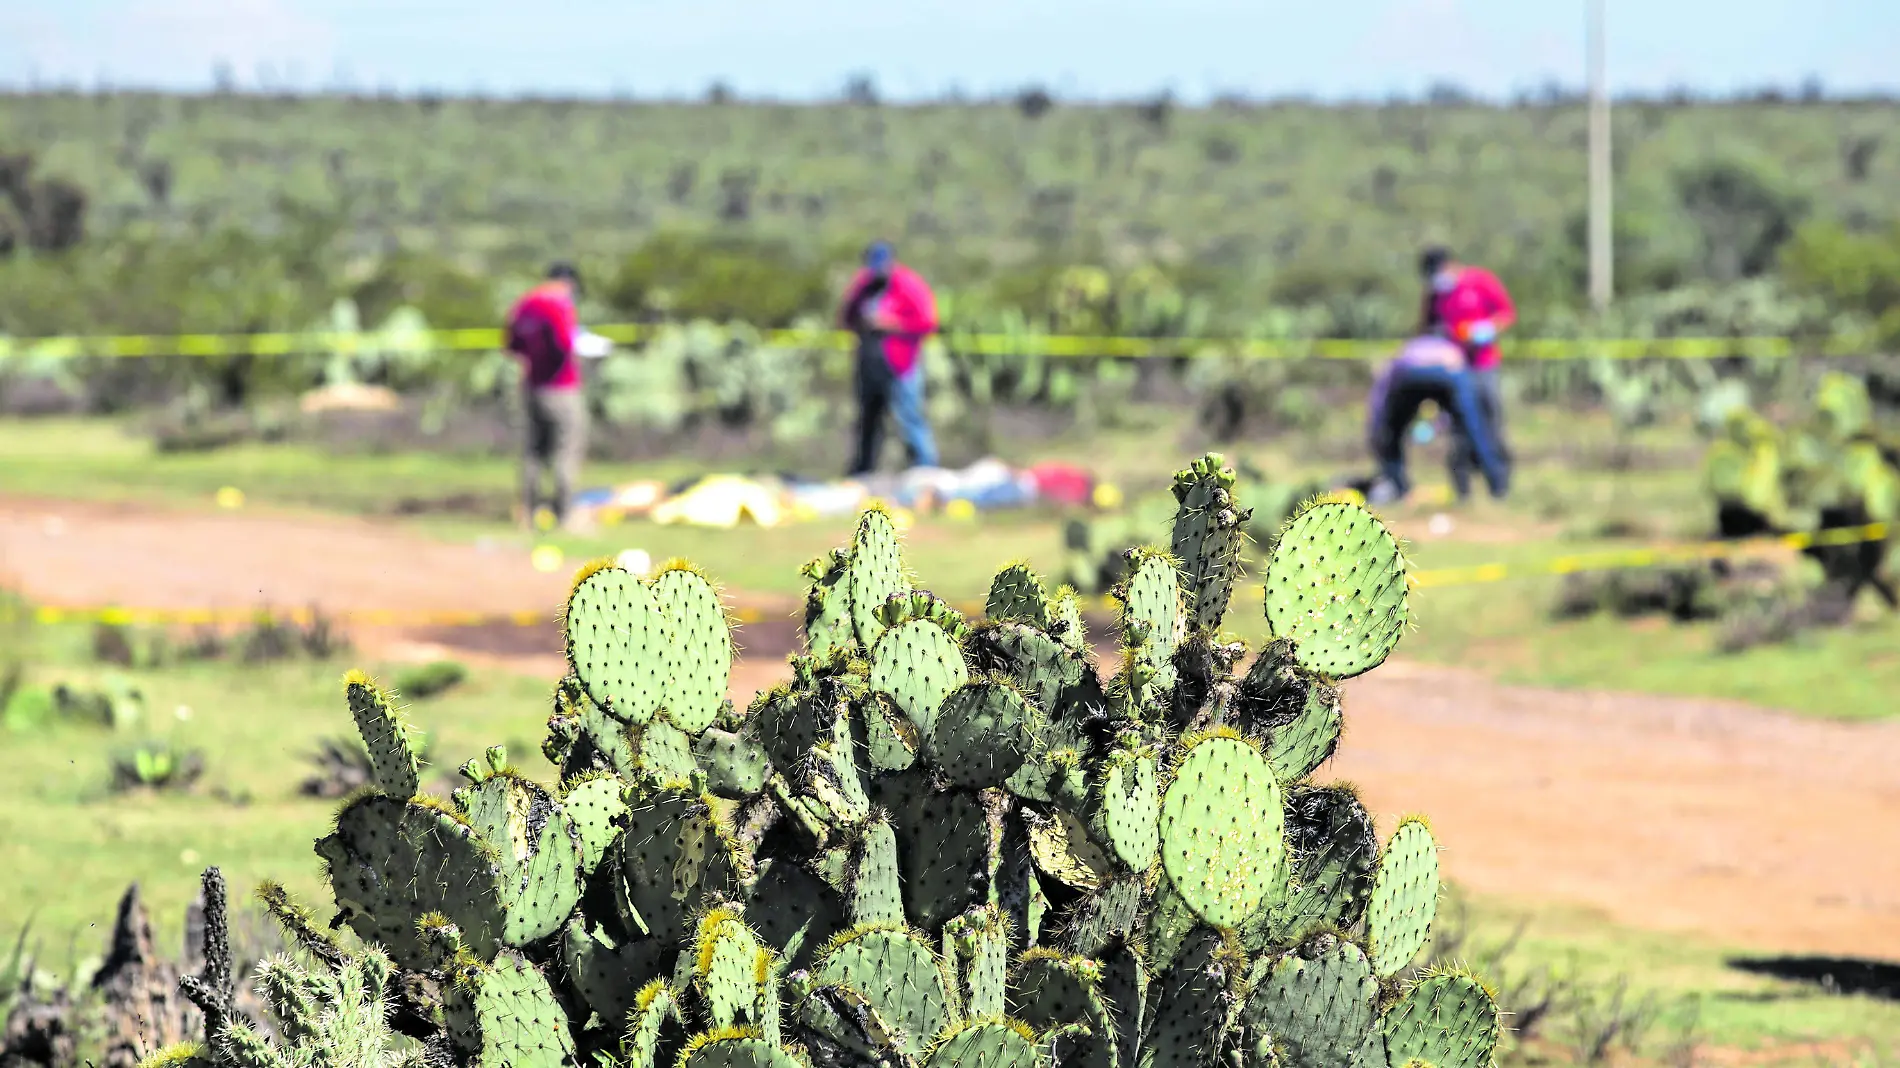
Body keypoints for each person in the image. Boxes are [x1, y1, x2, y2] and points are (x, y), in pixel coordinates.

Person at [505, 262, 608, 530]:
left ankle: (527, 513)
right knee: (567, 449)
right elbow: (565, 343)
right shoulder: (558, 305)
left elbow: (511, 345)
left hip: (531, 386)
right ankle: (566, 515)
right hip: (561, 387)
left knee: (533, 452)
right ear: (569, 283)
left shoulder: (524, 304)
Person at [1418, 246, 1515, 500]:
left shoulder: (1480, 281)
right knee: (1457, 427)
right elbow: (1426, 327)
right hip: (1453, 370)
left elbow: (1506, 313)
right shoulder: (1435, 295)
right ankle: (1463, 490)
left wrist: (1485, 330)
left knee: (1491, 420)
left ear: (1451, 265)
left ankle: (1500, 485)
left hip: (1484, 364)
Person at [1365, 334, 1510, 505]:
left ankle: (1397, 486)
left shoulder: (1406, 350)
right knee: (1473, 431)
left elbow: (1380, 402)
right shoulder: (1454, 349)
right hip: (1448, 372)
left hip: (1409, 374)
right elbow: (1463, 413)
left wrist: (1376, 428)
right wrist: (1444, 423)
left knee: (1392, 433)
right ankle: (1496, 486)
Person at [839, 241, 940, 476]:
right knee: (868, 421)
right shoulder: (863, 285)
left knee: (910, 417)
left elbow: (927, 322)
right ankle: (864, 471)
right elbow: (847, 317)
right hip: (869, 365)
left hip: (900, 364)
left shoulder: (908, 285)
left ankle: (926, 470)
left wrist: (892, 324)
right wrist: (862, 323)